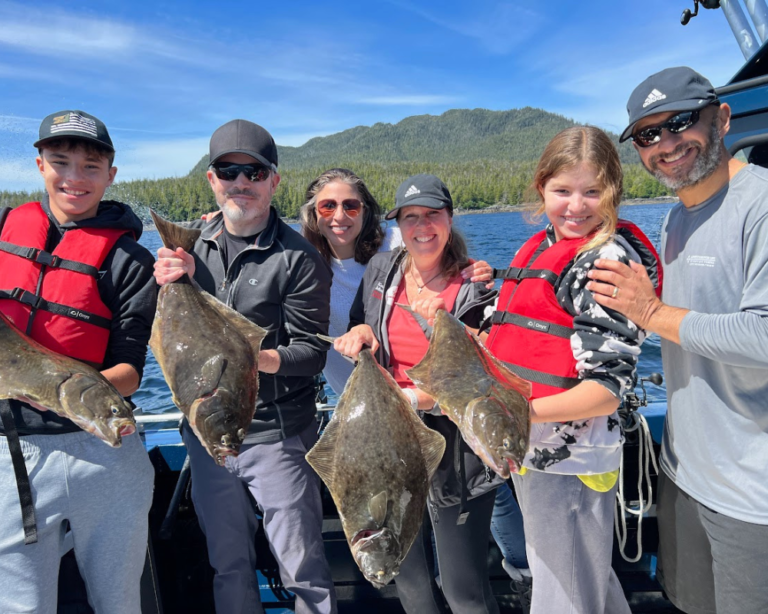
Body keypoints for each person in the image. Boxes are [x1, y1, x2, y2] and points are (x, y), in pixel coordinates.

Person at [588, 67, 768, 614]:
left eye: (682, 123)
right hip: (684, 475)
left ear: (723, 118)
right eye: (648, 134)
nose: (667, 144)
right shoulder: (671, 220)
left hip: (752, 494)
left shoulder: (759, 206)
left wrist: (651, 311)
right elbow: (666, 322)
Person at [153, 119, 337, 614]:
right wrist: (165, 280)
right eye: (227, 171)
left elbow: (312, 353)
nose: (241, 182)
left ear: (274, 181)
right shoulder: (188, 246)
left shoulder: (298, 258)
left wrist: (249, 358)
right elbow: (167, 334)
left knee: (303, 568)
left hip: (276, 435)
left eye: (254, 172)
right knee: (227, 564)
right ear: (212, 180)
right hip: (207, 436)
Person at [484, 126, 662, 614]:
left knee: (563, 592)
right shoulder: (545, 245)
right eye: (563, 191)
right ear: (542, 188)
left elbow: (605, 389)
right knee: (581, 579)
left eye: (592, 192)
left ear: (614, 193)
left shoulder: (605, 261)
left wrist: (512, 414)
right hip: (537, 449)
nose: (576, 207)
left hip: (570, 462)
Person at [0, 110, 156, 613]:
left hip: (105, 454)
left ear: (111, 175)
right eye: (61, 162)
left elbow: (132, 369)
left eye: (91, 166)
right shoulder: (5, 230)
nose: (74, 178)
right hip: (11, 455)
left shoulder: (131, 262)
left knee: (118, 602)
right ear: (40, 165)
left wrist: (70, 395)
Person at [333, 173, 501, 614]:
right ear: (398, 224)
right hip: (391, 445)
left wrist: (415, 399)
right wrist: (362, 333)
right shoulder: (381, 270)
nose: (422, 226)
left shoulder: (475, 287)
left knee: (463, 588)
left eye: (432, 215)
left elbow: (482, 380)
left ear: (450, 218)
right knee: (407, 579)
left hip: (457, 450)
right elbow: (362, 325)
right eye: (410, 217)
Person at [300, 167, 494, 396]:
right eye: (328, 206)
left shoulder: (395, 244)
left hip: (414, 399)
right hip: (356, 394)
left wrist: (475, 271)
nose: (340, 216)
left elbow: (435, 249)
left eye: (351, 206)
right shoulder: (301, 263)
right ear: (313, 213)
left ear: (365, 211)